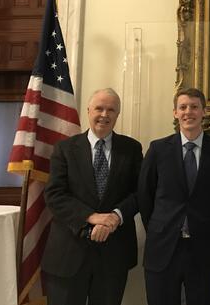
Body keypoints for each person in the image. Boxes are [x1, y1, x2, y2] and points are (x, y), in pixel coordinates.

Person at [42, 88, 142, 305]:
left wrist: (115, 217)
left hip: (113, 255)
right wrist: (92, 217)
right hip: (68, 254)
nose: (104, 114)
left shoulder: (132, 149)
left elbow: (139, 193)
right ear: (88, 110)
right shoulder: (65, 149)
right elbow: (54, 194)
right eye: (99, 108)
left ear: (118, 114)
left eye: (111, 110)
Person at [138, 88, 210, 305]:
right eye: (182, 107)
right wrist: (160, 227)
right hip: (162, 248)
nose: (188, 112)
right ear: (175, 112)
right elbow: (145, 197)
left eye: (194, 107)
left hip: (204, 248)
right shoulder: (158, 149)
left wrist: (206, 227)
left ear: (204, 111)